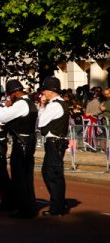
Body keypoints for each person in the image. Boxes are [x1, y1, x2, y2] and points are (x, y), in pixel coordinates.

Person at [0, 79, 38, 219]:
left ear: (14, 93)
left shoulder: (21, 104)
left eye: (9, 94)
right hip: (28, 141)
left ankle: (24, 209)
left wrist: (5, 107)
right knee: (27, 176)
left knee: (19, 177)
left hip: (21, 142)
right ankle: (29, 206)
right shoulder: (30, 103)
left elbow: (2, 118)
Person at [38, 76, 70, 216]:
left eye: (44, 90)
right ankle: (58, 203)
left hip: (54, 143)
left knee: (52, 174)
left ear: (51, 91)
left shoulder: (55, 105)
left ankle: (57, 206)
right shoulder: (59, 103)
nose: (42, 94)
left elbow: (40, 122)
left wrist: (43, 105)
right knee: (50, 173)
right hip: (55, 143)